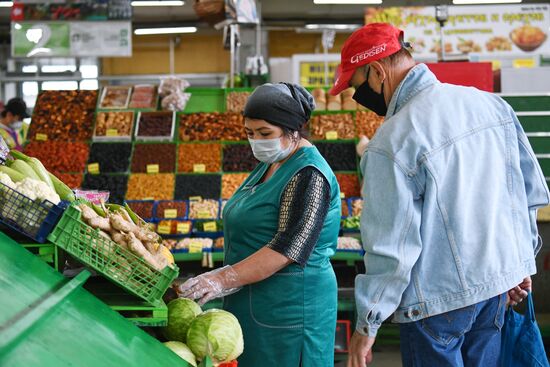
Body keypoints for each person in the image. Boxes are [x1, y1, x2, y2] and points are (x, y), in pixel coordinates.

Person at [329, 23, 550, 367]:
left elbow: (392, 246)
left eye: (357, 86)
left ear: (376, 72)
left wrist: (367, 324)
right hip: (494, 291)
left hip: (434, 305)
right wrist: (520, 262)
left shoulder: (391, 142)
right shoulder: (490, 106)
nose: (360, 100)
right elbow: (526, 193)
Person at [178, 83, 342, 367]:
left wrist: (219, 279)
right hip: (257, 302)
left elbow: (287, 248)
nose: (256, 141)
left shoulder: (309, 175)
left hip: (289, 312)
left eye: (265, 134)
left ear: (294, 130)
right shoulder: (272, 163)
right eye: (250, 133)